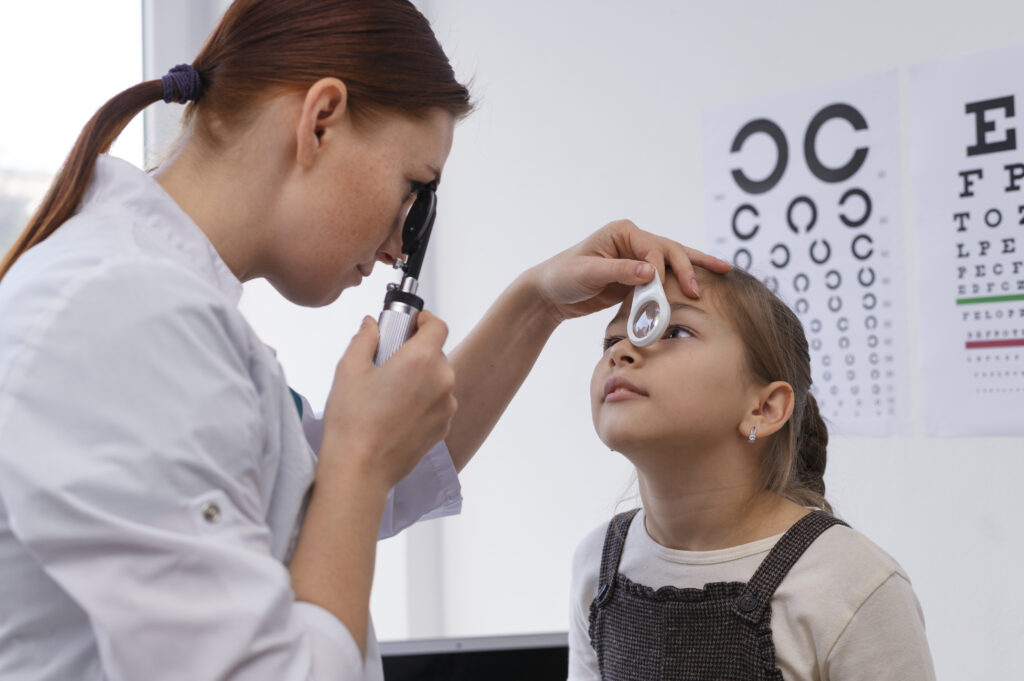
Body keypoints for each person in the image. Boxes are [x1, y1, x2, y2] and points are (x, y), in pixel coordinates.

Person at [0, 1, 729, 680]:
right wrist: (357, 456)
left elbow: (343, 506)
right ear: (320, 120)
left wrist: (536, 303)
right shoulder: (122, 316)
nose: (400, 245)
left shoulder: (171, 313)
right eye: (416, 188)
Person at [568, 265, 936, 680]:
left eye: (676, 332)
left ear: (765, 408)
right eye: (613, 339)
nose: (622, 351)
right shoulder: (597, 563)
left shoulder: (853, 583)